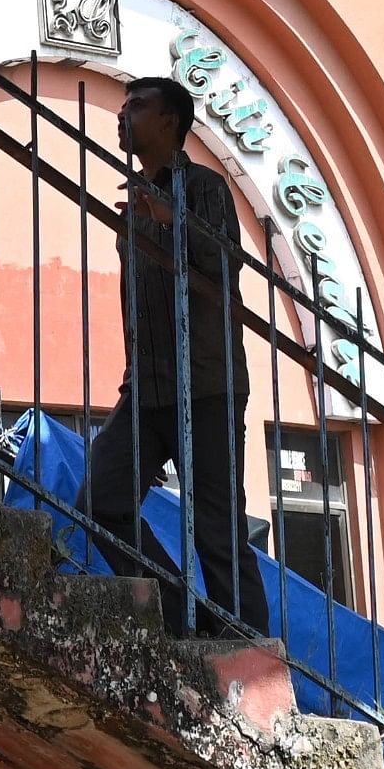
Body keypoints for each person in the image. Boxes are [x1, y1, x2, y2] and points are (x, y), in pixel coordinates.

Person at [85, 74, 262, 624]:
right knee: (102, 501)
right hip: (147, 387)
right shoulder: (132, 196)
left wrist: (172, 218)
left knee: (217, 526)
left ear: (170, 121)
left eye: (136, 106)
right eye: (123, 105)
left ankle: (249, 647)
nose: (122, 115)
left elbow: (227, 264)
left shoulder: (205, 187)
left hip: (206, 385)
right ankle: (180, 609)